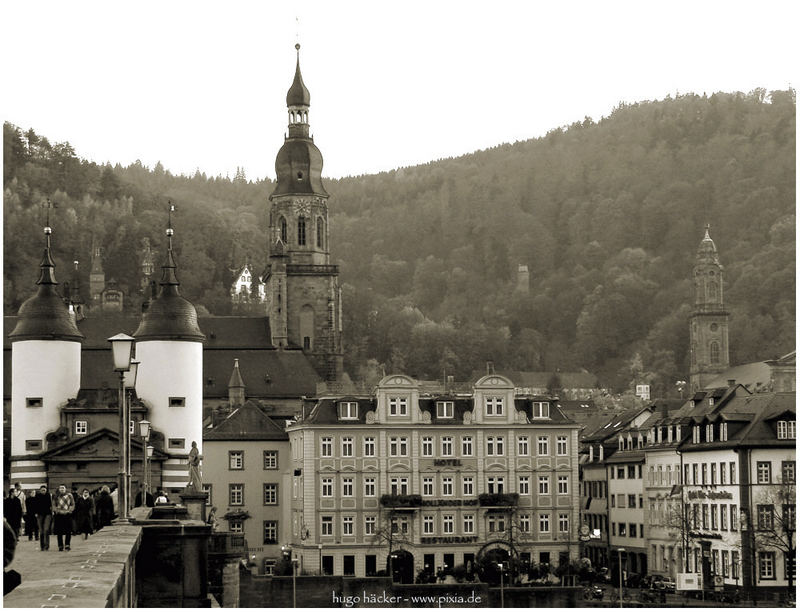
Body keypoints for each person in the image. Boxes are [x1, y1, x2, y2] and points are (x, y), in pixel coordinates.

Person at [52, 484, 75, 551]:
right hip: (59, 515)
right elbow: (53, 505)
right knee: (59, 531)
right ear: (59, 489)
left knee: (68, 531)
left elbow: (72, 504)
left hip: (67, 515)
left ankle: (67, 545)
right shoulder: (56, 496)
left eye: (63, 488)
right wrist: (57, 511)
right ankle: (60, 545)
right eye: (60, 488)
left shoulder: (70, 495)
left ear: (65, 489)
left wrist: (69, 510)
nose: (62, 489)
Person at [30, 485, 52, 551]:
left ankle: (46, 546)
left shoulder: (48, 496)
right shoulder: (37, 496)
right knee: (41, 531)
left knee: (46, 529)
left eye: (44, 490)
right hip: (39, 515)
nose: (43, 491)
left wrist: (52, 512)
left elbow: (51, 505)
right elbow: (35, 505)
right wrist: (35, 513)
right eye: (42, 490)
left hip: (48, 514)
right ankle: (42, 546)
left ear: (46, 490)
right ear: (40, 490)